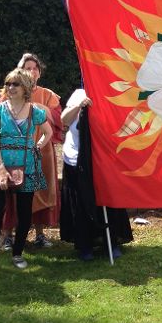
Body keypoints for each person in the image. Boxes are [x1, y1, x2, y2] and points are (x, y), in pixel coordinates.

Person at [0, 68, 53, 275]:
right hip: (0, 166)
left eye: (16, 84)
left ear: (26, 88)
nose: (11, 88)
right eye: (8, 84)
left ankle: (17, 253)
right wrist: (0, 167)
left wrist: (37, 147)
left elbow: (48, 133)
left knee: (24, 215)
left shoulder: (35, 112)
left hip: (27, 167)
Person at [0, 53, 62, 250]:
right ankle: (8, 235)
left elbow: (58, 120)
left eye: (35, 68)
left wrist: (39, 107)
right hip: (14, 152)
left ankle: (40, 235)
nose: (31, 71)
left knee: (39, 190)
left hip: (41, 151)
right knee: (12, 191)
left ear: (39, 73)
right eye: (27, 67)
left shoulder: (48, 95)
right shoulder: (9, 92)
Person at [59, 88, 133, 260]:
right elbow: (64, 120)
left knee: (107, 200)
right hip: (76, 159)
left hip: (103, 160)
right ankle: (85, 244)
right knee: (81, 203)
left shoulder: (114, 92)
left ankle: (111, 242)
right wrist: (79, 105)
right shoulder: (79, 93)